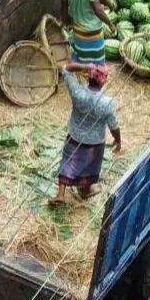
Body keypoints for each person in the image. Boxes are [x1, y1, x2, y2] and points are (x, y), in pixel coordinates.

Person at [49, 63, 121, 207]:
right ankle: (86, 190)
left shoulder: (78, 93)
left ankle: (61, 194)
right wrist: (118, 140)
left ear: (88, 77)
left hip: (75, 136)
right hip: (95, 143)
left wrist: (83, 66)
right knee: (90, 167)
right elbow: (114, 125)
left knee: (68, 161)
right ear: (104, 81)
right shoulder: (106, 103)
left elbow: (66, 69)